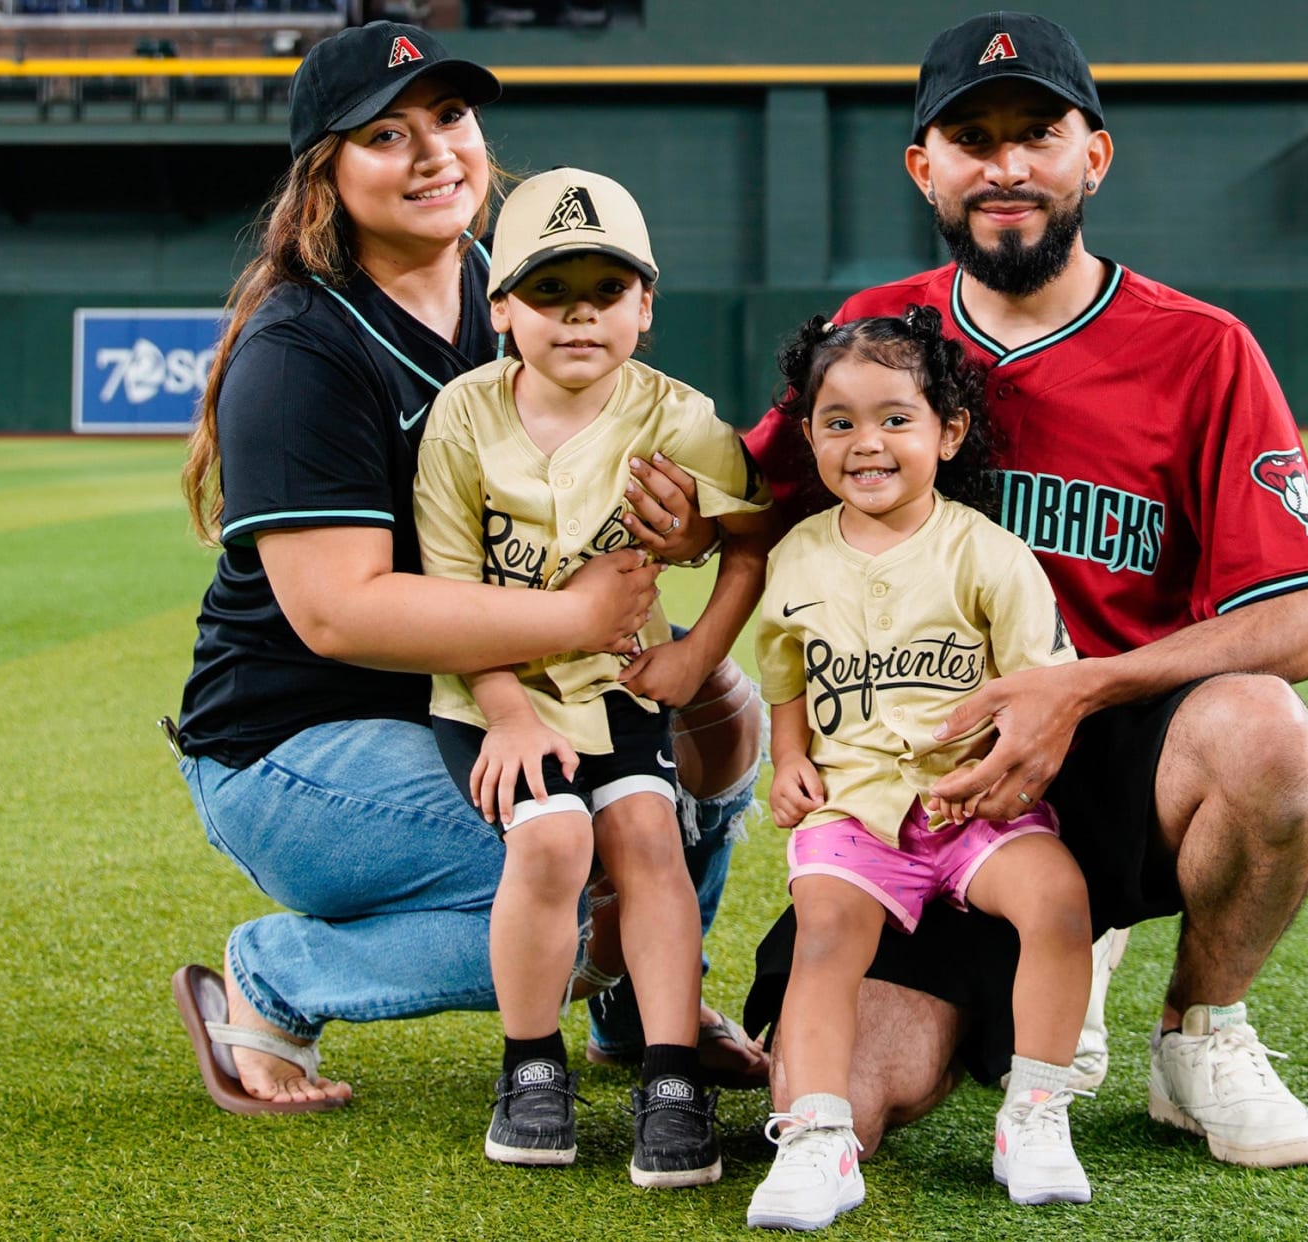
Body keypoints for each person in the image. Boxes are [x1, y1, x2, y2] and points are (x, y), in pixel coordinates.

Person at [740, 12, 1308, 1169]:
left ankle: (1200, 1029)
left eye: (1037, 133)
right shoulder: (880, 342)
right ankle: (1033, 979)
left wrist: (1076, 692)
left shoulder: (1201, 349)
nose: (1005, 166)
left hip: (1117, 760)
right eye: (970, 138)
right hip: (918, 785)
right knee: (846, 1098)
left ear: (1093, 155)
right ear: (926, 168)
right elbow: (751, 506)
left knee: (1267, 731)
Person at [166, 22, 764, 1124]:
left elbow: (619, 480)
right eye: (386, 135)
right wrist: (572, 616)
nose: (434, 150)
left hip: (486, 696)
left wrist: (677, 534)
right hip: (296, 743)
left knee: (721, 722)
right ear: (326, 177)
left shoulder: (517, 286)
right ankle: (276, 978)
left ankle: (636, 1008)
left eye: (449, 118)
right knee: (577, 870)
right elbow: (337, 612)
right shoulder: (303, 349)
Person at [412, 167, 772, 1185]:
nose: (580, 315)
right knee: (557, 837)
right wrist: (505, 714)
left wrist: (699, 653)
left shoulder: (676, 413)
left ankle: (668, 1074)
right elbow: (445, 591)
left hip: (614, 686)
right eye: (549, 290)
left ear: (645, 307)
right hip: (486, 689)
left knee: (651, 838)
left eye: (607, 291)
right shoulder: (463, 416)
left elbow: (752, 536)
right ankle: (531, 1066)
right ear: (502, 307)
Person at [744, 310, 1094, 1230]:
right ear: (810, 434)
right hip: (855, 812)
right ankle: (819, 1141)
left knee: (1057, 899)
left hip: (974, 805)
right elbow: (783, 679)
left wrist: (1004, 781)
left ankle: (1037, 1113)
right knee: (825, 935)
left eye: (897, 418)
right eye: (840, 420)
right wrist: (787, 759)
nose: (868, 443)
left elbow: (1039, 690)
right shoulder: (793, 559)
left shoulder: (985, 552)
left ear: (949, 431)